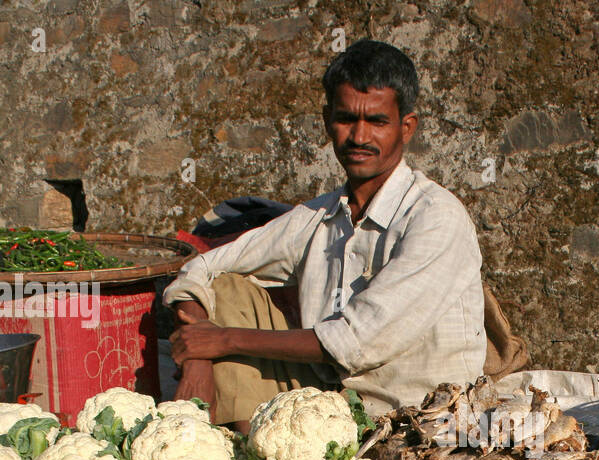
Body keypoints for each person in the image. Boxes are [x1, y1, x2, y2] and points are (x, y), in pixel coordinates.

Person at [163, 39, 513, 430]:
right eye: (347, 119)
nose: (359, 136)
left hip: (415, 419)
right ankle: (250, 459)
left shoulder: (436, 217)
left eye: (377, 122)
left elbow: (354, 343)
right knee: (226, 287)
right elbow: (202, 267)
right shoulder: (320, 215)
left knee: (228, 332)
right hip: (329, 399)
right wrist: (197, 355)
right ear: (328, 119)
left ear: (406, 127)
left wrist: (223, 340)